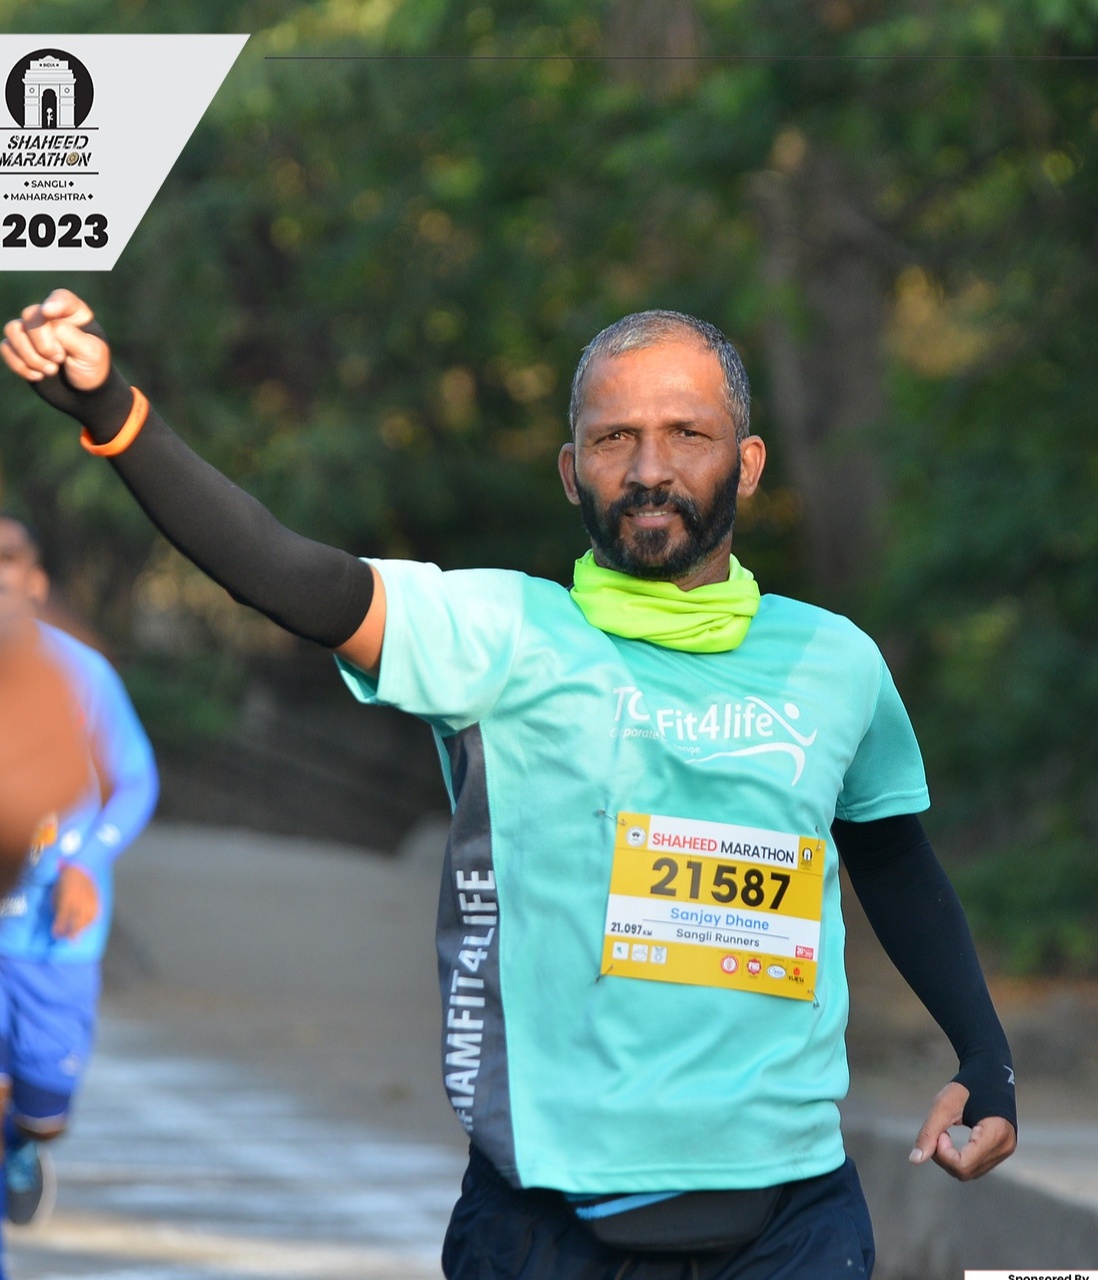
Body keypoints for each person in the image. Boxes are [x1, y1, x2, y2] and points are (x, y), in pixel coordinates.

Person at [1, 290, 1016, 1280]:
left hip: (794, 1221)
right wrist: (114, 411)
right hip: (546, 1226)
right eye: (614, 439)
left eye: (686, 434)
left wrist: (986, 1057)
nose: (649, 469)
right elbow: (286, 574)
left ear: (747, 464)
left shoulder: (835, 663)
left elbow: (892, 855)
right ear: (572, 471)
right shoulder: (502, 637)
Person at [0, 512, 159, 1264]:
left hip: (54, 937)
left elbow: (136, 781)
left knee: (44, 1105)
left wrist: (85, 863)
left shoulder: (81, 675)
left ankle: (24, 1144)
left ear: (34, 583)